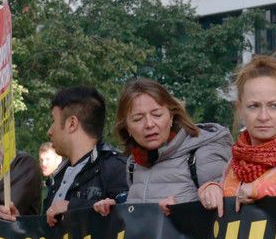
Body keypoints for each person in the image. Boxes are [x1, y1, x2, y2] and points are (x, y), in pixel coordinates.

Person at [200, 55, 276, 214]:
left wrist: (264, 191)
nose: (263, 116)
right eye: (254, 106)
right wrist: (212, 190)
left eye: (273, 106)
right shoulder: (235, 162)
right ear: (240, 109)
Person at [92, 78, 230, 217]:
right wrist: (116, 210)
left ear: (171, 117)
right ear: (127, 128)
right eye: (138, 119)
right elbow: (140, 217)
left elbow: (227, 210)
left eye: (157, 115)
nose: (149, 124)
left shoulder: (202, 152)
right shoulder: (133, 164)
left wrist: (181, 210)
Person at [35, 86, 126, 226]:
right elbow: (46, 232)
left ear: (72, 124)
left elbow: (130, 216)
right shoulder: (58, 175)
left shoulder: (117, 168)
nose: (49, 131)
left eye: (53, 121)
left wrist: (73, 208)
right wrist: (17, 223)